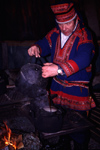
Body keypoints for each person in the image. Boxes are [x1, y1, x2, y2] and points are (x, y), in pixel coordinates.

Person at [28, 0, 96, 149]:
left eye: (67, 24)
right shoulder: (55, 33)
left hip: (76, 91)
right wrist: (36, 47)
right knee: (60, 122)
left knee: (78, 127)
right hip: (57, 89)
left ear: (76, 19)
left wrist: (58, 69)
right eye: (60, 24)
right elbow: (44, 43)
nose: (64, 28)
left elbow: (84, 58)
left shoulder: (85, 35)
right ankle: (63, 143)